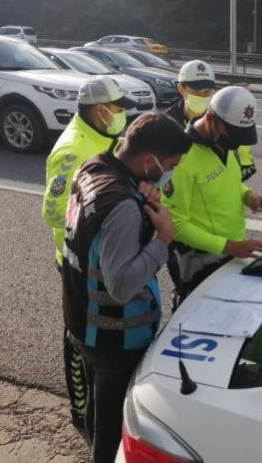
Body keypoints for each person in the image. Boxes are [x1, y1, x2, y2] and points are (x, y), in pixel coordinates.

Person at [62, 112, 191, 463]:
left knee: (95, 408)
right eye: (170, 165)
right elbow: (120, 285)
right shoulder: (122, 206)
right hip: (114, 338)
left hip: (81, 324)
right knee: (113, 429)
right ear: (149, 161)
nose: (171, 173)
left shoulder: (94, 167)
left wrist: (141, 192)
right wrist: (163, 240)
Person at [41, 75, 135, 429]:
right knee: (78, 339)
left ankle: (99, 402)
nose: (121, 115)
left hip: (99, 262)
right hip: (77, 262)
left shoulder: (103, 136)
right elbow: (52, 211)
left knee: (98, 335)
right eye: (117, 109)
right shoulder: (73, 149)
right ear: (99, 111)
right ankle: (80, 411)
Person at [162, 86, 262, 307]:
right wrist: (228, 246)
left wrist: (248, 196)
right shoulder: (182, 157)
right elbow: (174, 224)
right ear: (211, 118)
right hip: (199, 261)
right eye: (232, 135)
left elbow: (227, 180)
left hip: (231, 251)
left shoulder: (221, 142)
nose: (236, 143)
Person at [166, 59, 257, 181]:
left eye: (208, 91)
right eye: (196, 92)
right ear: (181, 89)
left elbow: (248, 167)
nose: (203, 97)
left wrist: (221, 182)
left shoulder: (226, 119)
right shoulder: (166, 123)